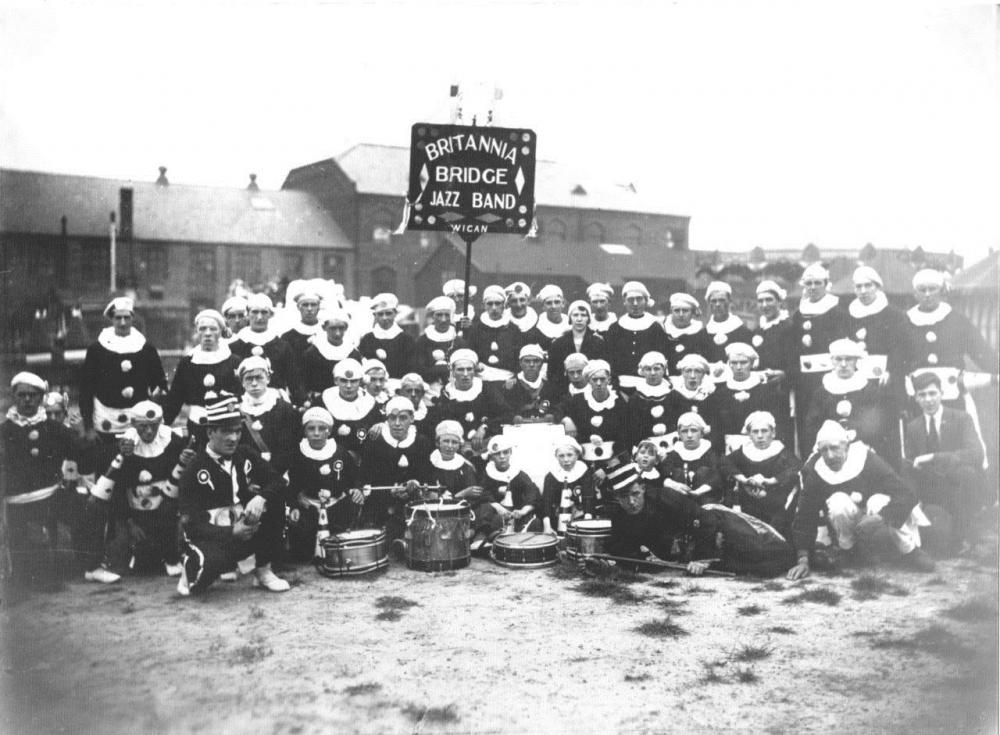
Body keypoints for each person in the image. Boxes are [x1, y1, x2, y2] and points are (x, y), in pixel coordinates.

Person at [787, 421, 934, 580]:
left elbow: (906, 494)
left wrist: (881, 517)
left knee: (876, 501)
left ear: (846, 446)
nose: (829, 455)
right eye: (824, 450)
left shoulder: (867, 459)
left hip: (879, 511)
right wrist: (803, 559)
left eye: (835, 448)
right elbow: (805, 515)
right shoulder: (816, 471)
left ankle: (909, 550)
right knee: (837, 502)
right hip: (851, 518)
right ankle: (849, 551)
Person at [176, 395, 290, 595]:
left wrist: (260, 498)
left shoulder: (244, 454)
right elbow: (191, 523)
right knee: (198, 584)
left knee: (275, 501)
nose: (233, 438)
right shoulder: (194, 468)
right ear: (210, 432)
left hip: (243, 527)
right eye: (226, 432)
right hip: (211, 535)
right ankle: (191, 565)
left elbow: (278, 481)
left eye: (237, 431)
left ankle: (263, 570)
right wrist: (230, 532)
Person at [604, 462, 796, 577]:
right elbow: (622, 547)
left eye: (635, 493)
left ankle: (802, 555)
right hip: (689, 544)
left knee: (767, 552)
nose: (631, 501)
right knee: (742, 565)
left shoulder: (665, 497)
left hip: (716, 523)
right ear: (614, 496)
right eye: (623, 496)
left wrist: (701, 559)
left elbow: (705, 521)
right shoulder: (618, 514)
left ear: (643, 488)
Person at [89, 401, 194, 576]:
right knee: (131, 562)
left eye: (153, 426)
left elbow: (184, 478)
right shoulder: (123, 446)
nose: (149, 432)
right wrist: (129, 522)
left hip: (166, 509)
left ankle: (171, 555)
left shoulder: (173, 442)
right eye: (143, 427)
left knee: (166, 546)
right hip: (134, 512)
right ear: (133, 424)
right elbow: (117, 488)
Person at [1, 372, 79, 588]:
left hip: (51, 497)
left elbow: (83, 457)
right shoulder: (4, 431)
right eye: (22, 395)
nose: (27, 400)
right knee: (26, 571)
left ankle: (89, 566)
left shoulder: (54, 429)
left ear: (40, 397)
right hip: (17, 503)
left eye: (32, 395)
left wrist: (80, 434)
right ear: (13, 397)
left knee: (88, 511)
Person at [902, 371, 985, 554]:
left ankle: (965, 533)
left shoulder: (961, 418)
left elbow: (975, 453)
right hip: (931, 488)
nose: (928, 400)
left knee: (967, 473)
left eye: (933, 394)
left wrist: (934, 457)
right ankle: (914, 532)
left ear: (942, 394)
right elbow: (910, 461)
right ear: (915, 398)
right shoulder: (913, 427)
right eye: (922, 395)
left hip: (958, 485)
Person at [79, 296, 167, 444]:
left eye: (127, 317)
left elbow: (159, 385)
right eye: (118, 318)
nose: (122, 322)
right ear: (111, 319)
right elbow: (86, 389)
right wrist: (88, 427)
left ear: (132, 318)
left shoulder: (146, 349)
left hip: (140, 425)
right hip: (105, 422)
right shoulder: (96, 349)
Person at [285, 407, 363, 562]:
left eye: (322, 428)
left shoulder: (340, 453)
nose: (316, 433)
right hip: (309, 505)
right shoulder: (297, 453)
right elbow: (291, 484)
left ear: (329, 431)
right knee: (302, 552)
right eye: (311, 428)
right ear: (305, 431)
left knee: (339, 544)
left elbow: (353, 478)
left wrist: (356, 489)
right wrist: (294, 503)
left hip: (336, 504)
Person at [356, 397, 434, 539]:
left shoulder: (422, 442)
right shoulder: (375, 442)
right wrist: (391, 491)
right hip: (381, 499)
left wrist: (415, 482)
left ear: (412, 418)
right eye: (392, 418)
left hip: (412, 497)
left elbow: (426, 475)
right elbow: (366, 476)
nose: (397, 424)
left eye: (403, 418)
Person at [162, 309, 242, 447]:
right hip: (197, 425)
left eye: (213, 329)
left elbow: (242, 396)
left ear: (221, 331)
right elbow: (175, 398)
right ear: (197, 332)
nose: (208, 333)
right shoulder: (187, 363)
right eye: (203, 329)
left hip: (227, 426)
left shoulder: (234, 361)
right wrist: (163, 423)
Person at [803, 338, 890, 463]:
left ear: (856, 361)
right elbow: (812, 425)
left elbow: (875, 424)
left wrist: (856, 434)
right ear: (832, 361)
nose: (843, 364)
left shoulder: (869, 390)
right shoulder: (821, 392)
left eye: (848, 359)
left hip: (861, 446)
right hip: (829, 449)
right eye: (838, 359)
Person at [721, 411, 800, 536]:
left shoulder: (782, 453)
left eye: (764, 431)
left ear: (773, 433)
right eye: (755, 432)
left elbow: (795, 469)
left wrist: (770, 481)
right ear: (749, 435)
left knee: (774, 537)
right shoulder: (744, 452)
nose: (760, 436)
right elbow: (725, 463)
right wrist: (744, 480)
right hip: (748, 505)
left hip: (776, 508)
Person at [426, 349, 507, 456]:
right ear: (453, 372)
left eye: (469, 369)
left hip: (488, 447)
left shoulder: (486, 389)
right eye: (460, 370)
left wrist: (484, 428)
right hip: (457, 450)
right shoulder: (447, 394)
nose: (465, 374)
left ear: (474, 371)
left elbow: (506, 413)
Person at [229, 293, 302, 404]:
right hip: (244, 402)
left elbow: (294, 379)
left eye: (264, 312)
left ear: (271, 315)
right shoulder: (235, 346)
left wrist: (301, 401)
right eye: (255, 312)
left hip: (276, 402)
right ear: (247, 315)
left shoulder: (282, 346)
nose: (259, 317)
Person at [714, 343, 789, 450]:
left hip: (761, 448)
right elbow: (717, 429)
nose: (739, 367)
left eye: (743, 362)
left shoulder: (767, 392)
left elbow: (779, 429)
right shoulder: (721, 394)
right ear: (729, 365)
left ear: (751, 364)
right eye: (734, 363)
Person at [561, 359, 630, 466]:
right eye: (594, 379)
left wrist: (607, 467)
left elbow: (625, 436)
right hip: (586, 459)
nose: (598, 383)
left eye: (602, 379)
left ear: (609, 380)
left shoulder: (619, 401)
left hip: (613, 460)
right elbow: (557, 411)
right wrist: (566, 419)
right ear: (588, 381)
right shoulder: (578, 400)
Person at [236, 356, 300, 473]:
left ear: (268, 378)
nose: (254, 383)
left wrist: (272, 478)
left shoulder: (284, 408)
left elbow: (289, 448)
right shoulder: (236, 410)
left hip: (279, 474)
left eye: (259, 377)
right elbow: (237, 449)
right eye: (249, 378)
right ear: (242, 382)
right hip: (247, 474)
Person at [462, 285, 522, 397]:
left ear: (504, 305)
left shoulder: (514, 330)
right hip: (482, 379)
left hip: (507, 379)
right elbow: (469, 354)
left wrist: (515, 378)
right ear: (483, 306)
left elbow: (519, 358)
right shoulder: (476, 329)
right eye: (490, 304)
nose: (494, 308)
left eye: (498, 303)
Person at [604, 281, 665, 391]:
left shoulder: (655, 327)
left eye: (639, 299)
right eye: (631, 300)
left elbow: (662, 357)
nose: (635, 303)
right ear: (624, 302)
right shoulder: (615, 328)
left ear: (646, 301)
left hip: (649, 385)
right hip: (619, 385)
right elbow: (608, 358)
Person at [477, 435, 543, 537]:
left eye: (505, 452)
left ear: (510, 453)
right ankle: (491, 536)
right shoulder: (487, 474)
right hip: (496, 515)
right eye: (497, 454)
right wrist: (498, 507)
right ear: (491, 457)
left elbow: (532, 492)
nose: (502, 457)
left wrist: (522, 511)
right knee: (487, 512)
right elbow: (483, 494)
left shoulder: (519, 474)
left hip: (517, 514)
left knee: (535, 522)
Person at [320, 358, 383, 459]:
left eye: (353, 381)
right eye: (344, 381)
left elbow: (381, 422)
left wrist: (380, 425)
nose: (348, 386)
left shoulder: (369, 402)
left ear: (361, 382)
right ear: (336, 381)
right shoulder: (324, 399)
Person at [659, 412, 724, 504]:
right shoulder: (673, 455)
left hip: (706, 502)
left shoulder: (710, 454)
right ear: (679, 434)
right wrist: (674, 485)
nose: (689, 435)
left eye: (694, 430)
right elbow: (662, 476)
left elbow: (717, 478)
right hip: (678, 502)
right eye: (684, 431)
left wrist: (697, 492)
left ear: (701, 433)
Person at [546, 300, 606, 397]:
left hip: (591, 391)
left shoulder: (598, 342)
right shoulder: (558, 344)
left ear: (588, 318)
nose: (579, 319)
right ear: (570, 318)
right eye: (575, 315)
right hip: (564, 391)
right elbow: (552, 374)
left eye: (583, 315)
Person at [540, 436, 597, 536]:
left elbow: (589, 498)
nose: (566, 459)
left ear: (577, 455)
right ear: (556, 456)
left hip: (581, 518)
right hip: (556, 521)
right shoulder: (551, 476)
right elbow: (546, 502)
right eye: (561, 456)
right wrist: (547, 527)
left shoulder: (584, 471)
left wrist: (586, 523)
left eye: (570, 455)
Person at [301, 308, 363, 398]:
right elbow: (303, 382)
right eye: (332, 328)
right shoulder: (312, 353)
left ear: (346, 328)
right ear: (324, 328)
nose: (337, 333)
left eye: (341, 328)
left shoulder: (353, 354)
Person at [358, 292, 416, 380]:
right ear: (375, 315)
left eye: (388, 313)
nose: (384, 318)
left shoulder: (407, 339)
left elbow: (412, 368)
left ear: (395, 313)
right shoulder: (367, 339)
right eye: (380, 314)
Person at [625, 351, 677, 446]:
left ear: (664, 370)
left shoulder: (674, 395)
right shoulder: (636, 399)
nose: (652, 373)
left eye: (657, 369)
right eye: (648, 369)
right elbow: (633, 430)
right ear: (642, 372)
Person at [428, 420, 482, 504]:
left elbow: (473, 497)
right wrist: (461, 494)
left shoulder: (466, 467)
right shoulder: (429, 464)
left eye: (454, 442)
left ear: (459, 445)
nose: (450, 446)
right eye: (446, 441)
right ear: (438, 443)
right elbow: (427, 494)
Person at [502, 344, 554, 424]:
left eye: (536, 361)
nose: (531, 365)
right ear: (520, 363)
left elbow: (556, 409)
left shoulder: (549, 385)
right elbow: (505, 411)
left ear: (542, 363)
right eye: (527, 361)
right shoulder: (512, 386)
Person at [663, 293, 712, 376]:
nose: (681, 314)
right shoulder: (663, 331)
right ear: (671, 312)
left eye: (685, 311)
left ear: (692, 313)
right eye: (677, 310)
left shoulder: (701, 334)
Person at [414, 296, 459, 386]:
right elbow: (419, 369)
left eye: (446, 315)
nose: (443, 319)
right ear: (432, 317)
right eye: (439, 315)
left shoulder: (458, 340)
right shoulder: (422, 341)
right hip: (430, 387)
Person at [703, 281, 752, 364]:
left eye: (722, 300)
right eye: (713, 301)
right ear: (708, 303)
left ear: (730, 301)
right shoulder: (704, 333)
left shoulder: (742, 331)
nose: (717, 304)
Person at [280, 281, 325, 361]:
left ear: (319, 307)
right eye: (305, 305)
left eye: (313, 305)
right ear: (298, 307)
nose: (309, 309)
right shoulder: (288, 337)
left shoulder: (326, 332)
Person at [526, 284, 570, 352]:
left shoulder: (571, 324)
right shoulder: (536, 327)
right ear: (543, 307)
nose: (553, 306)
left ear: (563, 304)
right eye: (549, 303)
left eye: (557, 302)